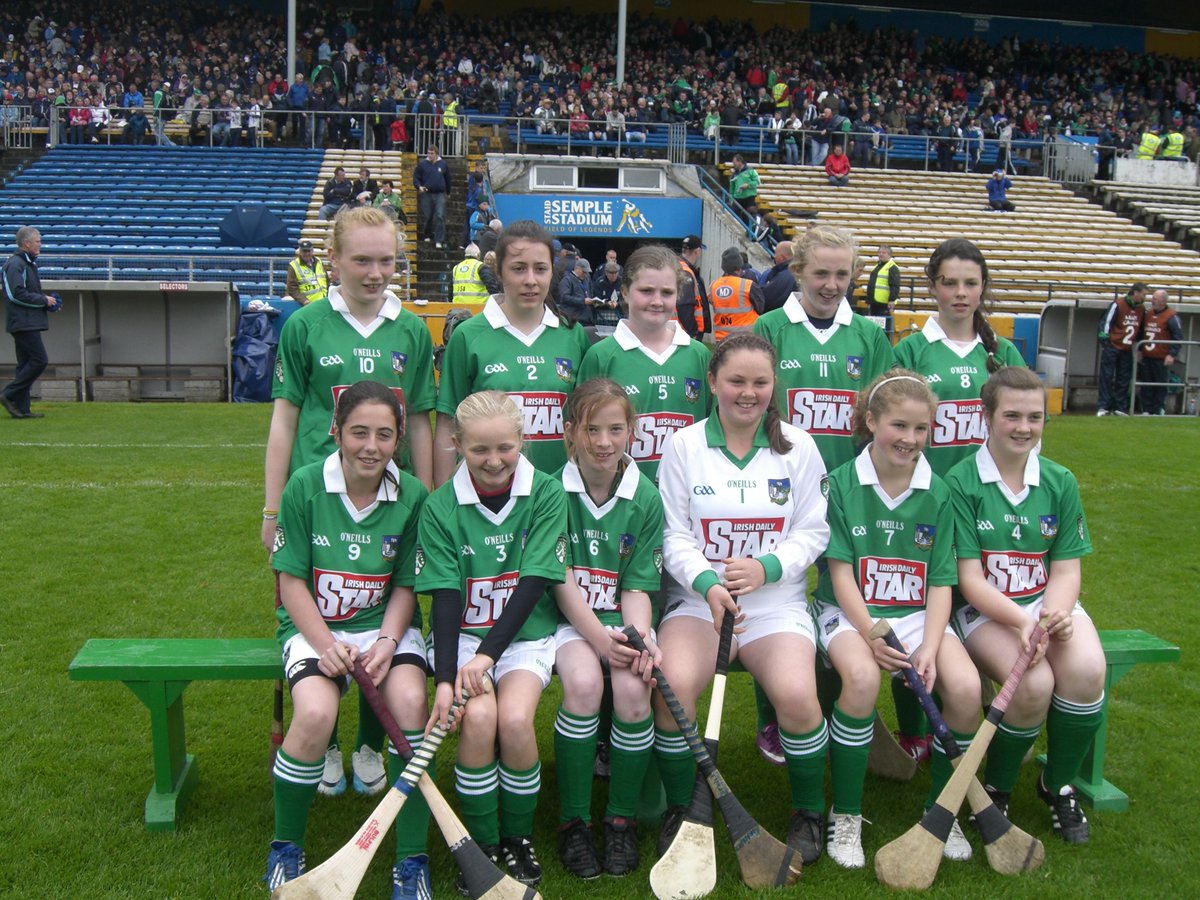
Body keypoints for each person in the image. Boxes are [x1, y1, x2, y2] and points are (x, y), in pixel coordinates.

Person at [263, 207, 436, 801]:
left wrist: (432, 506)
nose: (374, 272)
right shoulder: (305, 325)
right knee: (323, 615)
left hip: (389, 498)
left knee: (379, 614)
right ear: (333, 259)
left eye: (386, 260)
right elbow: (284, 422)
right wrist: (269, 510)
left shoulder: (411, 329)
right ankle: (328, 741)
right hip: (316, 502)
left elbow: (419, 427)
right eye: (361, 259)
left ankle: (369, 745)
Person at [654, 332, 830, 864]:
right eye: (736, 381)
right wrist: (707, 584)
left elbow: (813, 530)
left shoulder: (798, 447)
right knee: (673, 690)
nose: (747, 393)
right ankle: (682, 807)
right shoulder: (684, 445)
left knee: (799, 698)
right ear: (713, 383)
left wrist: (765, 566)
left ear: (774, 385)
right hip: (696, 603)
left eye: (760, 382)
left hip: (775, 604)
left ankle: (808, 812)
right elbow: (673, 534)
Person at [264, 381, 433, 898]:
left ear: (399, 438)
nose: (371, 446)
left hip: (385, 625)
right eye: (359, 432)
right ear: (335, 431)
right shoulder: (304, 486)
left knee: (410, 701)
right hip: (316, 627)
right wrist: (324, 644)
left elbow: (407, 582)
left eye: (385, 434)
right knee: (315, 713)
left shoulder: (412, 495)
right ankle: (286, 846)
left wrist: (386, 641)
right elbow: (290, 581)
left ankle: (411, 858)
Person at [812, 370, 980, 867]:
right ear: (870, 421)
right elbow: (840, 574)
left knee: (967, 689)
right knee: (861, 678)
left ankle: (941, 812)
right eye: (898, 426)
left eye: (921, 429)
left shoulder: (940, 491)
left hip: (916, 616)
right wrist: (870, 634)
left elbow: (941, 581)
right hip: (848, 613)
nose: (909, 439)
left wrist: (929, 647)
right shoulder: (840, 484)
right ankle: (845, 816)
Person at [751, 223, 894, 764]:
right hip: (777, 492)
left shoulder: (869, 336)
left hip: (852, 492)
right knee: (773, 602)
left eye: (842, 274)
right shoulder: (769, 328)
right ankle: (773, 720)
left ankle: (848, 711)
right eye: (821, 273)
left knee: (848, 599)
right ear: (798, 272)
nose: (831, 284)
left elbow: (880, 418)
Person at [419, 391, 569, 891]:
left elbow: (532, 585)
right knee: (479, 719)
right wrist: (444, 680)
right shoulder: (440, 507)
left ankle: (518, 836)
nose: (494, 460)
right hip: (462, 640)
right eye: (479, 449)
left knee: (515, 718)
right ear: (456, 444)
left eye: (505, 447)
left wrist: (488, 657)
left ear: (522, 441)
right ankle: (481, 845)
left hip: (524, 638)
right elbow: (442, 596)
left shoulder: (546, 493)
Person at [948, 366, 1105, 845]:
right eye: (1011, 415)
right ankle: (996, 787)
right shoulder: (962, 482)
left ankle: (1056, 783)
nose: (1023, 427)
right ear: (986, 416)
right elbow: (969, 579)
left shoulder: (1059, 481)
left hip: (1044, 604)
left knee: (1087, 670)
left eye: (1034, 417)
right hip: (986, 610)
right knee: (1032, 682)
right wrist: (1022, 622)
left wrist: (1053, 614)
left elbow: (1065, 569)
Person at [551, 378, 664, 879]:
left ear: (632, 431)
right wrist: (601, 640)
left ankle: (619, 821)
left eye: (614, 429)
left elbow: (639, 584)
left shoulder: (646, 497)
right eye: (591, 430)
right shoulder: (552, 492)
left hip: (622, 623)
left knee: (634, 691)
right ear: (570, 432)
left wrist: (639, 639)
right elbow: (562, 583)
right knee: (583, 683)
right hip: (570, 624)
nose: (603, 442)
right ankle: (573, 822)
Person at [433, 220, 591, 484]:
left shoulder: (573, 336)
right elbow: (448, 423)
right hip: (484, 494)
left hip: (556, 499)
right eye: (518, 269)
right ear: (499, 272)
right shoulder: (468, 336)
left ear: (552, 272)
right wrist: (442, 496)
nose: (530, 280)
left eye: (540, 269)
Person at [578, 244, 712, 483]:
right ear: (626, 292)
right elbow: (582, 432)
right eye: (646, 291)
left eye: (667, 293)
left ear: (678, 295)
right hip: (620, 499)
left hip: (686, 496)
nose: (657, 301)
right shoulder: (602, 355)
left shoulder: (699, 355)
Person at [894, 238, 1027, 474]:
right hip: (926, 492)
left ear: (982, 286)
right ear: (931, 287)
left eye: (971, 283)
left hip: (988, 495)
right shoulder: (909, 351)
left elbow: (1028, 429)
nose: (961, 293)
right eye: (950, 283)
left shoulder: (1004, 352)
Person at [2, 226, 59, 419]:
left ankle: (21, 409)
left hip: (28, 321)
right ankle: (8, 394)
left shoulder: (27, 264)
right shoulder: (15, 264)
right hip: (22, 323)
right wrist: (43, 300)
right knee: (39, 360)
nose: (40, 245)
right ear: (26, 243)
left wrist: (48, 304)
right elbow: (15, 295)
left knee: (25, 363)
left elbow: (26, 294)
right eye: (37, 241)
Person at [1096, 282, 1148, 416]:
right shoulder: (1118, 304)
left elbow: (1141, 329)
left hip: (1127, 348)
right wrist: (1106, 341)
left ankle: (1119, 407)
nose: (1144, 298)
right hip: (1113, 346)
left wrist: (1140, 347)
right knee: (1107, 376)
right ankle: (1104, 406)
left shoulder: (1141, 309)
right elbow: (1106, 322)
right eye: (1143, 294)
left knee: (1124, 377)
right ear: (1135, 293)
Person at [1138, 289, 1183, 415]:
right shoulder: (1148, 313)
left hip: (1161, 357)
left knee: (1160, 383)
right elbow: (1142, 333)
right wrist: (1140, 350)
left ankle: (1158, 409)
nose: (1152, 300)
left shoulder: (1171, 316)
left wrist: (1172, 354)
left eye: (1155, 298)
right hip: (1147, 356)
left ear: (1163, 301)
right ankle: (1146, 409)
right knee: (1146, 383)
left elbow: (1178, 336)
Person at [709, 246, 765, 342]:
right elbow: (761, 307)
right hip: (745, 339)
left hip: (722, 339)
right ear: (739, 266)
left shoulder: (713, 285)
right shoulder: (748, 285)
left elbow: (713, 303)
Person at [413, 145, 451, 248]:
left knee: (440, 215)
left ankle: (439, 239)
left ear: (436, 154)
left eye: (432, 153)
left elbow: (448, 179)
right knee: (427, 216)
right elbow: (416, 177)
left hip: (439, 193)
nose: (430, 155)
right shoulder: (422, 165)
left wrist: (448, 192)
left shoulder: (443, 164)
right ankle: (427, 234)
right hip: (426, 193)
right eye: (428, 153)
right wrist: (419, 186)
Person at [677, 235, 711, 341]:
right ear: (697, 251)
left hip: (682, 330)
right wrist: (693, 332)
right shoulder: (686, 272)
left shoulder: (679, 267)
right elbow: (684, 304)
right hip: (687, 332)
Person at [865, 244, 901, 333]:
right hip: (874, 302)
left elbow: (895, 285)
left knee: (883, 328)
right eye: (879, 252)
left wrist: (892, 300)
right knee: (873, 327)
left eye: (883, 252)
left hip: (883, 304)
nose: (881, 254)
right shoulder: (878, 265)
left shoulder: (892, 267)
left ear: (889, 254)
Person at [451, 243, 499, 307]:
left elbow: (450, 289)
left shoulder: (456, 268)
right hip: (478, 308)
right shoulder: (480, 266)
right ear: (478, 255)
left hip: (458, 307)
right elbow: (491, 285)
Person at [284, 240, 328, 306]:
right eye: (304, 251)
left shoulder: (319, 261)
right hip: (308, 305)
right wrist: (304, 301)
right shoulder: (294, 266)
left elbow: (326, 280)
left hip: (324, 302)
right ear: (300, 252)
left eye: (308, 251)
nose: (307, 254)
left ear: (312, 251)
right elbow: (291, 289)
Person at [759, 240, 797, 314]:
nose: (774, 257)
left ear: (782, 257)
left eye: (775, 255)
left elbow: (765, 299)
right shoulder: (800, 272)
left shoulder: (784, 276)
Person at [558, 257, 593, 325]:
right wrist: (582, 301)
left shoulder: (586, 279)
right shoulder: (567, 280)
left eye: (587, 272)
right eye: (584, 272)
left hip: (586, 317)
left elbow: (590, 292)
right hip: (572, 318)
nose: (585, 274)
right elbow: (564, 297)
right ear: (577, 268)